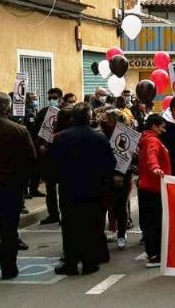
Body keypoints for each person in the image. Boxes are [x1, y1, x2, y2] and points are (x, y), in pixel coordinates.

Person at [50, 103, 116, 275]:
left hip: (69, 188)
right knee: (91, 225)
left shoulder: (61, 137)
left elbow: (53, 163)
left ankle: (70, 263)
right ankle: (90, 262)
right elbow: (110, 164)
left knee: (70, 226)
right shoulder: (99, 138)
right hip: (93, 188)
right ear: (89, 117)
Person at [0, 93, 36, 280]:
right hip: (10, 186)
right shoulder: (18, 130)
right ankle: (9, 267)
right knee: (9, 228)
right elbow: (30, 159)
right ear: (6, 108)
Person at [138, 114, 171, 268]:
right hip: (154, 188)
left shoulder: (147, 139)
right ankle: (155, 255)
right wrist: (155, 167)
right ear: (154, 126)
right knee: (155, 222)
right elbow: (152, 155)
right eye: (162, 127)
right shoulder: (152, 140)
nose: (164, 130)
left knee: (151, 222)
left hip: (149, 186)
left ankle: (153, 253)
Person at [98, 109, 133, 250]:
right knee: (107, 204)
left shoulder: (127, 134)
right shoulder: (102, 135)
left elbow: (129, 155)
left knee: (120, 205)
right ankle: (112, 230)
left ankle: (121, 235)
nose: (105, 121)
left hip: (122, 175)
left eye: (109, 118)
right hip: (106, 175)